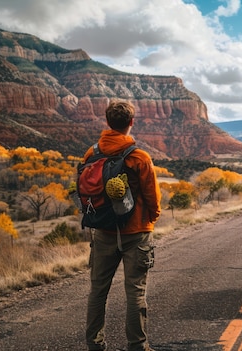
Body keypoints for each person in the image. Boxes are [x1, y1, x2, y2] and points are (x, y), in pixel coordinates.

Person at [85, 100, 162, 351]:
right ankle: (138, 346)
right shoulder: (139, 156)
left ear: (107, 122)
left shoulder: (91, 153)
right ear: (131, 122)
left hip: (103, 232)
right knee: (135, 293)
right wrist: (151, 219)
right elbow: (153, 197)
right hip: (136, 232)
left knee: (98, 292)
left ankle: (95, 345)